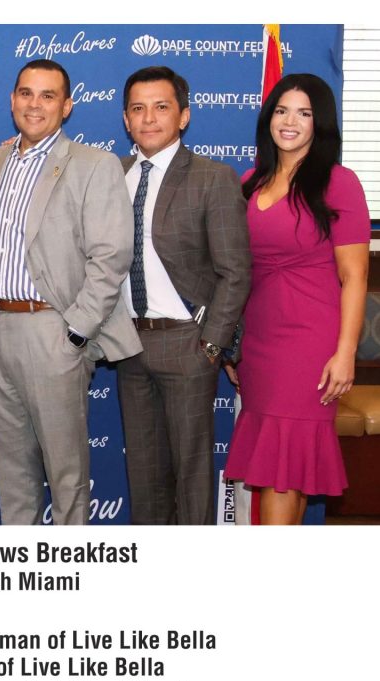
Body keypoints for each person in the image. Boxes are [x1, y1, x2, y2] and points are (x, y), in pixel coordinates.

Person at [0, 59, 140, 525]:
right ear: (11, 100)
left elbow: (111, 257)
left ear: (67, 106)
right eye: (26, 93)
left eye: (47, 96)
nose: (34, 104)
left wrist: (76, 332)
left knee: (66, 475)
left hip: (52, 330)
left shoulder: (94, 165)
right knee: (12, 473)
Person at [224, 74, 370, 525]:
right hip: (259, 342)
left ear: (319, 123)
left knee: (281, 475)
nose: (290, 121)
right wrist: (233, 345)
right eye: (282, 110)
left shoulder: (338, 182)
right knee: (288, 468)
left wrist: (345, 353)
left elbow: (355, 275)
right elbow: (236, 271)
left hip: (309, 343)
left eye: (304, 113)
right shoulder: (251, 181)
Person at [117, 66, 251, 525]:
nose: (148, 118)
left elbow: (235, 271)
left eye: (161, 107)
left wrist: (211, 345)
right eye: (138, 108)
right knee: (144, 478)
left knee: (191, 479)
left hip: (187, 343)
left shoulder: (212, 177)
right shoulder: (112, 174)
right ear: (126, 119)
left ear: (184, 115)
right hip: (128, 344)